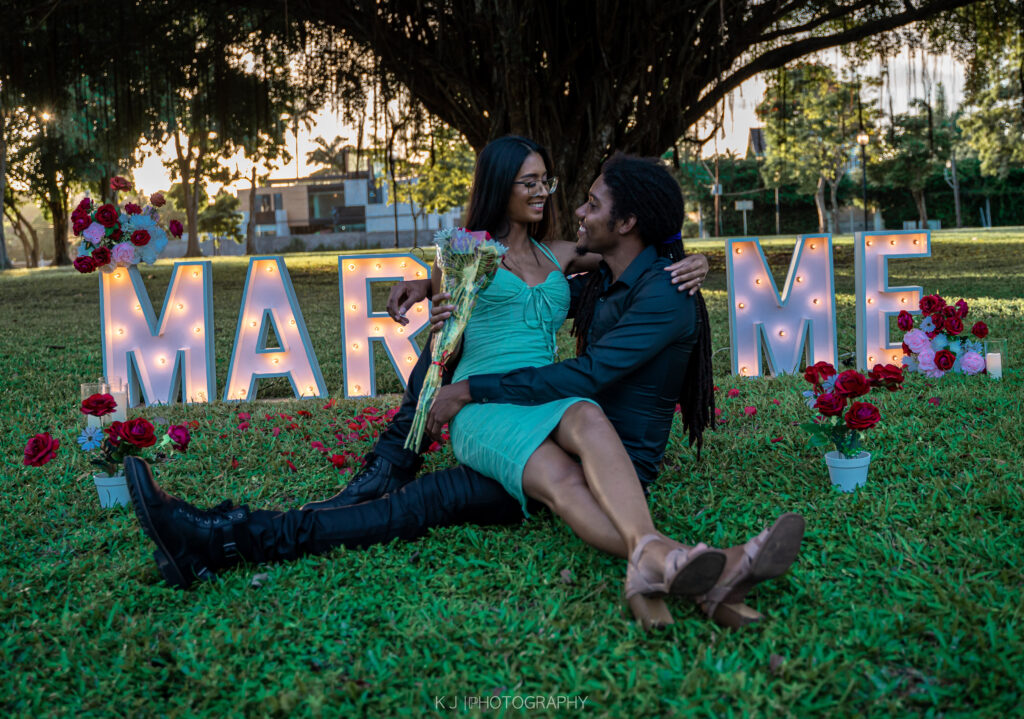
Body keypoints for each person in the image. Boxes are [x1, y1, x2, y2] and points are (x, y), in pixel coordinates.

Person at [125, 139, 802, 629]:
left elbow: (647, 249)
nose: (550, 194)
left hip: (539, 402)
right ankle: (217, 532)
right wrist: (426, 286)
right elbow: (459, 295)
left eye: (557, 184)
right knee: (417, 505)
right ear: (502, 186)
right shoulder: (466, 256)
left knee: (544, 462)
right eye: (531, 181)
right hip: (496, 404)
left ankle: (660, 559)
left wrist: (697, 262)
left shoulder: (569, 255)